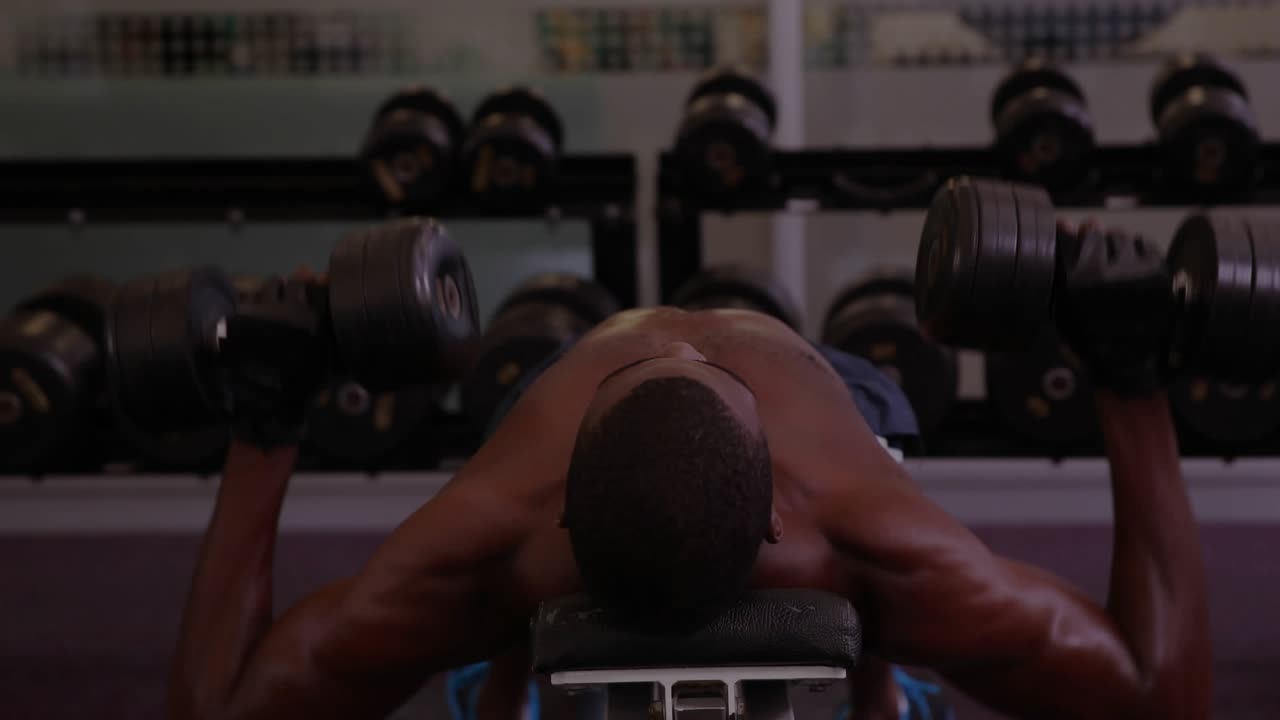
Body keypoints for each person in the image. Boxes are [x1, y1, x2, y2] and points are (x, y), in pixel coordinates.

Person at [168, 226, 1212, 720]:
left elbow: (219, 709)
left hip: (596, 409)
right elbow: (1156, 694)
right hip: (808, 418)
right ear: (775, 523)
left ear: (561, 518)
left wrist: (266, 428)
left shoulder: (479, 544)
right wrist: (1129, 383)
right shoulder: (870, 537)